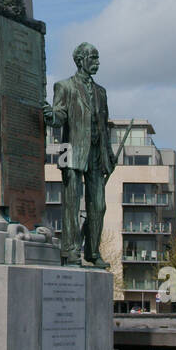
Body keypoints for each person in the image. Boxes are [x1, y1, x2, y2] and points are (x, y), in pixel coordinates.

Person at [44, 43, 114, 268]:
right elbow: (60, 115)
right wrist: (51, 115)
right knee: (71, 205)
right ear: (80, 60)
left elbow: (104, 126)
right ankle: (71, 251)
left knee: (99, 206)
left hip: (96, 153)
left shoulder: (101, 92)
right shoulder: (64, 86)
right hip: (71, 151)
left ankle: (93, 252)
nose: (97, 62)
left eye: (98, 58)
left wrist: (109, 155)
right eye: (93, 58)